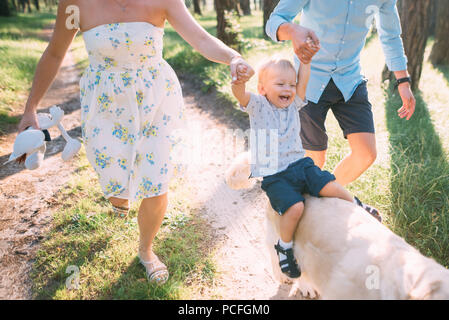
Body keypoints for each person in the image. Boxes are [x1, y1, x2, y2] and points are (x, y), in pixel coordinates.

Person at [16, 0, 253, 285]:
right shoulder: (75, 5)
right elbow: (55, 53)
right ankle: (121, 196)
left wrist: (233, 58)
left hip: (156, 100)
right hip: (105, 105)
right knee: (117, 190)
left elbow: (201, 38)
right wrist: (30, 108)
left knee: (156, 182)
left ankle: (146, 250)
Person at [231, 56, 381, 279]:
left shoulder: (294, 103)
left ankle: (356, 206)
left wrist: (306, 61)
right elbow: (240, 94)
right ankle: (284, 246)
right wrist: (239, 80)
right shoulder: (257, 105)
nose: (288, 89)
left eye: (291, 85)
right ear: (262, 89)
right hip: (275, 175)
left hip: (301, 165)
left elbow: (303, 82)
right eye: (280, 84)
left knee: (330, 184)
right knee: (295, 208)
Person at [265, 0, 416, 188]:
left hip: (350, 79)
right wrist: (294, 30)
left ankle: (322, 195)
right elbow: (274, 22)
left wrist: (403, 81)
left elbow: (391, 36)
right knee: (314, 159)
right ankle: (307, 199)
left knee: (366, 153)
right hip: (308, 79)